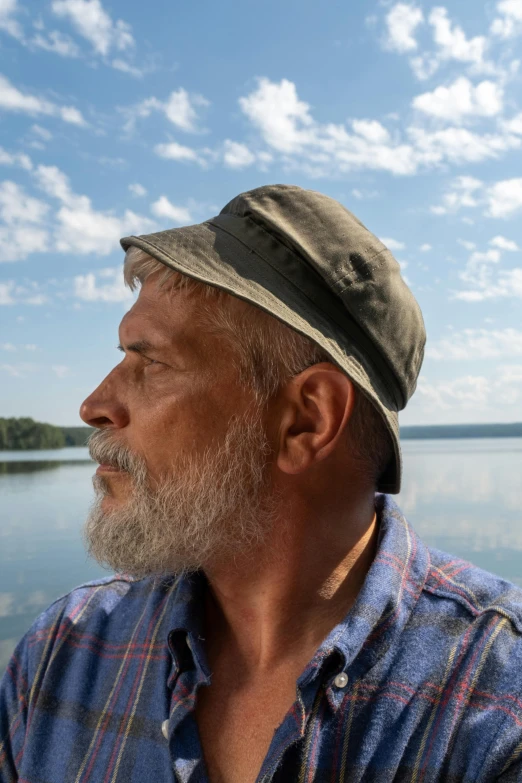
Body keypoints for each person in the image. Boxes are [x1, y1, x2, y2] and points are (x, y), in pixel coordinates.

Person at [1, 185, 522, 783]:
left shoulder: (497, 703)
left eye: (151, 364)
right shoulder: (62, 654)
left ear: (306, 419)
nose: (94, 405)